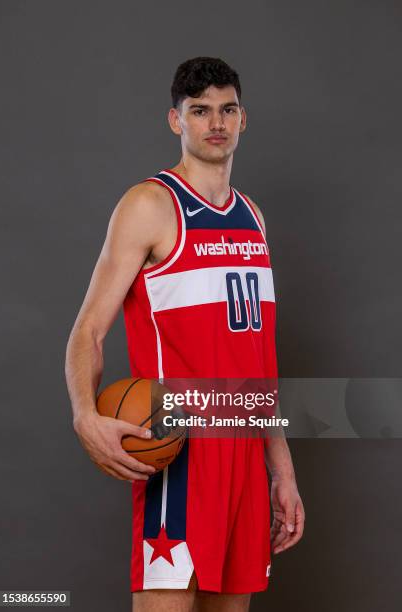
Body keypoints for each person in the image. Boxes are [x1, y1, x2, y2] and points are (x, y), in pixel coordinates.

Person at [65, 56, 305, 612]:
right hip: (179, 456)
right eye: (200, 111)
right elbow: (88, 330)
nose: (215, 123)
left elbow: (258, 364)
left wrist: (282, 471)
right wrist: (84, 414)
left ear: (243, 119)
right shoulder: (150, 205)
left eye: (227, 110)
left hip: (244, 458)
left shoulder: (253, 218)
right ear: (176, 121)